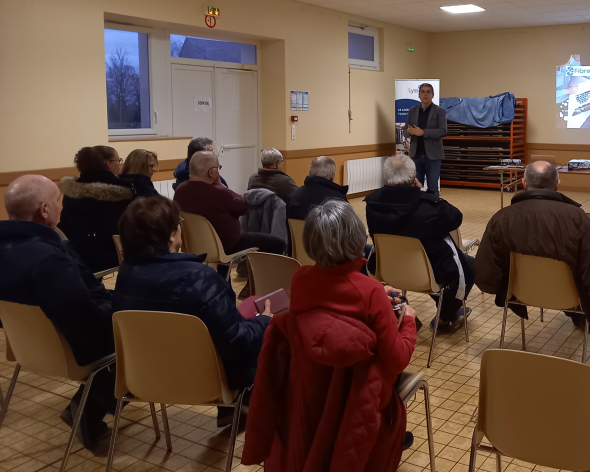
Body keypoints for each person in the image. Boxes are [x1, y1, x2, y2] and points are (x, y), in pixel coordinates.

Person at [242, 200, 417, 472]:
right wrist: (407, 320)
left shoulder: (300, 279)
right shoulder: (369, 291)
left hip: (308, 395)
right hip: (359, 404)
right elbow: (396, 360)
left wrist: (375, 295)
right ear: (357, 238)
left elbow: (330, 312)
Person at [113, 196, 272, 427]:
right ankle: (252, 409)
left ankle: (235, 411)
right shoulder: (199, 278)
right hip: (208, 381)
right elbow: (237, 343)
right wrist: (265, 321)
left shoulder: (125, 274)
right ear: (170, 234)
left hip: (145, 376)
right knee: (274, 325)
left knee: (252, 304)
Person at [0, 175, 117, 451]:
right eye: (58, 201)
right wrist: (122, 308)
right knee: (147, 331)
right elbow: (86, 321)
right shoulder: (48, 258)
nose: (61, 207)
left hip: (28, 346)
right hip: (69, 349)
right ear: (44, 210)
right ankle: (87, 409)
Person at [475, 161, 590, 334]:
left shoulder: (501, 218)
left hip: (520, 293)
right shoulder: (578, 219)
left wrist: (504, 289)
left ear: (523, 183)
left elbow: (483, 273)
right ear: (557, 184)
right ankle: (579, 316)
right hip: (569, 296)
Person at [365, 155, 474, 333]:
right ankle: (446, 313)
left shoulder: (372, 204)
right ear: (414, 177)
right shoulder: (429, 206)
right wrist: (425, 193)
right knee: (468, 264)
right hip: (427, 273)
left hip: (387, 268)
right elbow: (455, 217)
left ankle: (449, 313)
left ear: (386, 177)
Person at [173, 151, 286, 256]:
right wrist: (221, 186)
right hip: (227, 246)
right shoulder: (219, 192)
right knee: (279, 243)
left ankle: (225, 274)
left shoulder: (180, 190)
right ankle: (258, 275)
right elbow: (244, 207)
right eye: (218, 168)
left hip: (194, 245)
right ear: (211, 172)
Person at [58, 146, 134, 273]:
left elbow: (64, 225)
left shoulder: (72, 189)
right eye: (118, 160)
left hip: (75, 253)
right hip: (109, 254)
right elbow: (119, 228)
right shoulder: (122, 189)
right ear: (108, 164)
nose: (120, 164)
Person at [403, 83, 447, 195]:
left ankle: (434, 211)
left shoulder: (439, 111)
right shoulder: (412, 111)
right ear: (419, 95)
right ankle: (418, 211)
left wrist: (423, 132)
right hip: (415, 155)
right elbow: (404, 130)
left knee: (432, 187)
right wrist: (409, 132)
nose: (425, 94)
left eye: (428, 92)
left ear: (432, 95)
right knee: (415, 187)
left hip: (433, 156)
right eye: (422, 92)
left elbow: (443, 131)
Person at [286, 155, 348, 221]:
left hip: (298, 231)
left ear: (310, 173)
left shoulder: (294, 196)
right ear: (332, 176)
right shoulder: (340, 200)